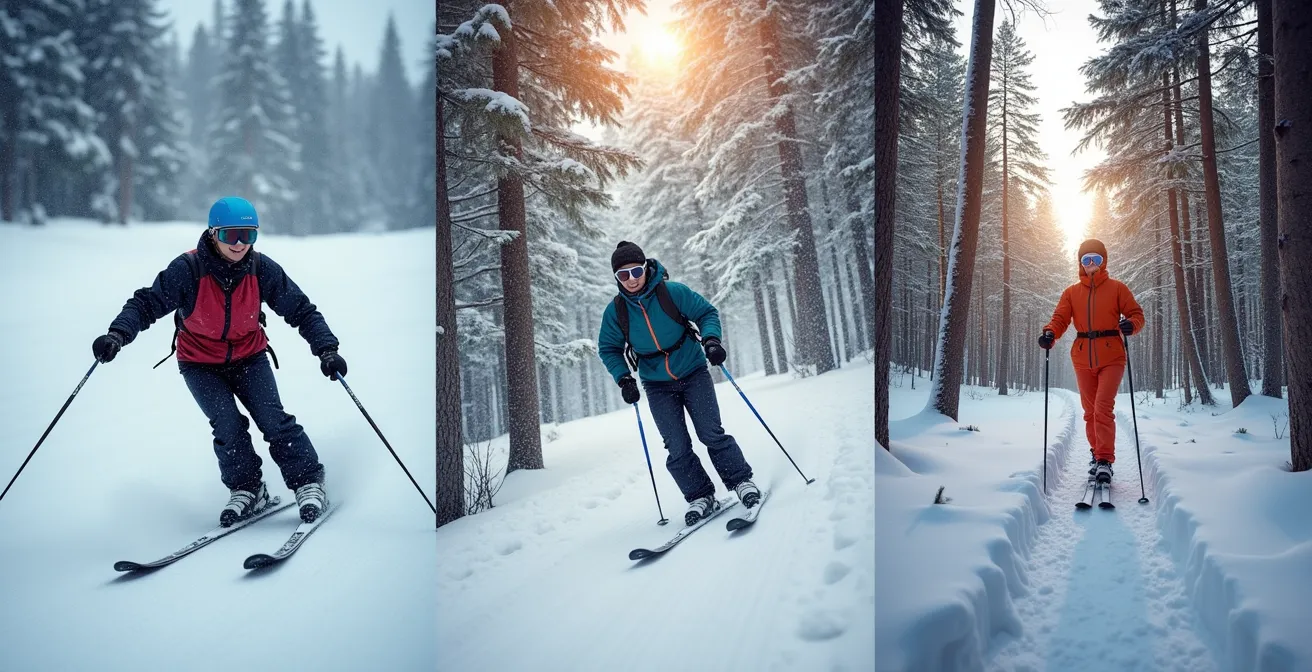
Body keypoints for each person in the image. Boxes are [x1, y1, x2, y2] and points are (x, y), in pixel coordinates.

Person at [91, 196, 345, 526]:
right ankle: (249, 490)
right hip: (199, 363)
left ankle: (309, 482)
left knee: (273, 419)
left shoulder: (261, 269)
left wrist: (326, 349)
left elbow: (302, 310)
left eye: (248, 235)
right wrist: (117, 334)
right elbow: (145, 304)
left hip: (250, 357)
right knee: (227, 426)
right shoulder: (188, 270)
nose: (240, 244)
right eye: (231, 235)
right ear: (213, 234)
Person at [597, 241, 760, 526]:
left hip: (693, 370)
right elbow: (608, 348)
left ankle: (741, 482)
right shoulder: (616, 312)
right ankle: (700, 496)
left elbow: (707, 313)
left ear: (646, 267)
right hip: (655, 383)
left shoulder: (672, 293)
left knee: (710, 432)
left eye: (636, 270)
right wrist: (624, 378)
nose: (632, 278)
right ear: (616, 278)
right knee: (677, 445)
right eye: (623, 275)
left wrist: (711, 340)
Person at [1038, 239, 1145, 484]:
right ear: (1080, 263)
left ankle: (1105, 460)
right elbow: (1060, 319)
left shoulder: (1118, 288)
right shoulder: (1071, 292)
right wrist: (1050, 334)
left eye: (1096, 259)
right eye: (1086, 260)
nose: (1091, 264)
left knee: (1102, 407)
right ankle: (1097, 455)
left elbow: (1136, 314)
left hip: (1112, 355)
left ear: (1104, 261)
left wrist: (1132, 325)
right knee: (1089, 412)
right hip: (1082, 355)